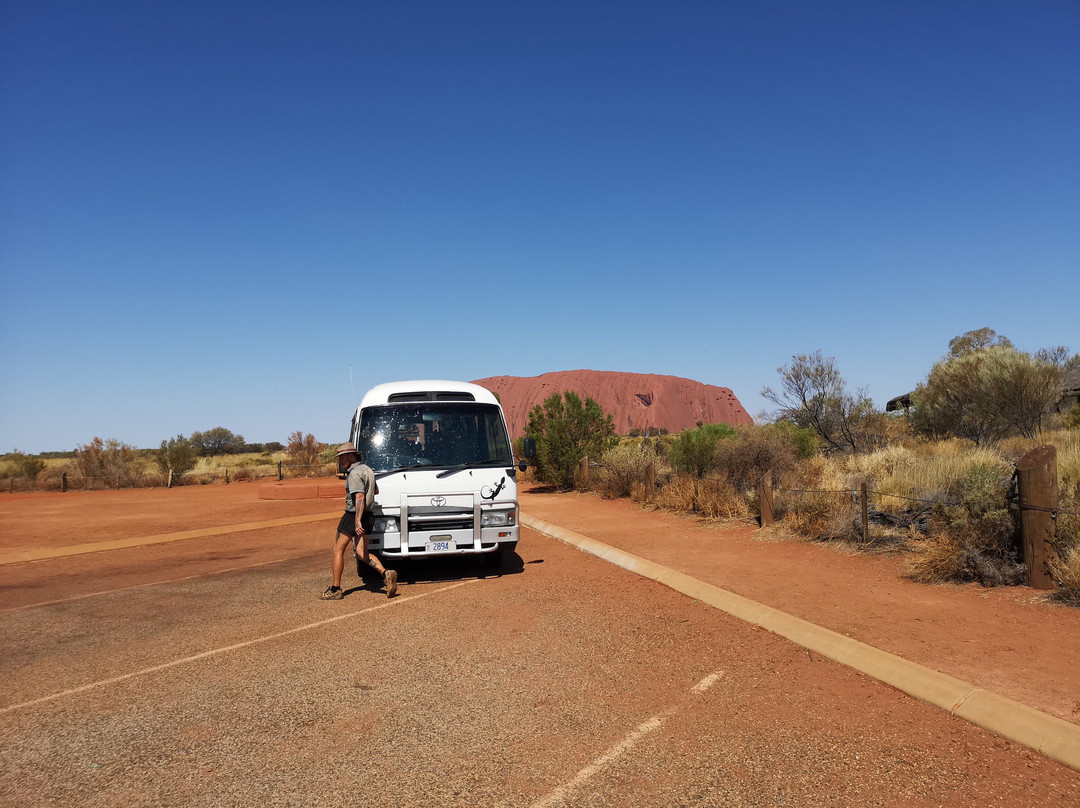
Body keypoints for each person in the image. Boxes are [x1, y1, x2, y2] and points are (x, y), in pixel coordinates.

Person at [321, 442, 398, 600]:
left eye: (342, 457)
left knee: (338, 549)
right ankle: (386, 573)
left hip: (353, 516)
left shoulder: (355, 473)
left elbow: (359, 497)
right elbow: (375, 490)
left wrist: (357, 521)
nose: (340, 461)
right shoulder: (368, 470)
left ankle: (335, 589)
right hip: (369, 514)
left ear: (350, 455)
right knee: (362, 553)